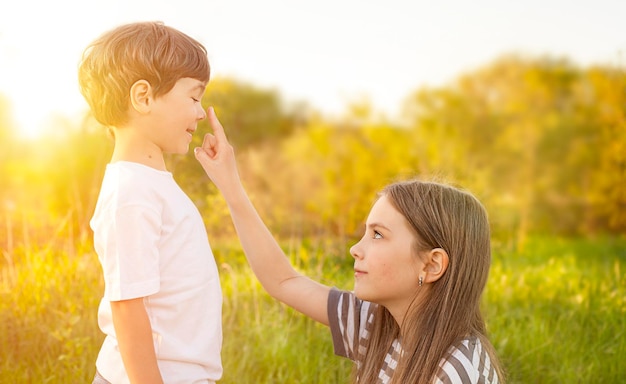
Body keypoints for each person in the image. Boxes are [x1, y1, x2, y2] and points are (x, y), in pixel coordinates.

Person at [193, 109, 505, 383]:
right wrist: (229, 184)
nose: (355, 249)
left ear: (432, 264)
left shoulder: (458, 369)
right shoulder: (377, 324)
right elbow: (282, 280)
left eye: (378, 235)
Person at [79, 21, 222, 384]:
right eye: (193, 97)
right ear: (143, 97)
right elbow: (127, 307)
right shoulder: (131, 191)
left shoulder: (150, 185)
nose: (201, 112)